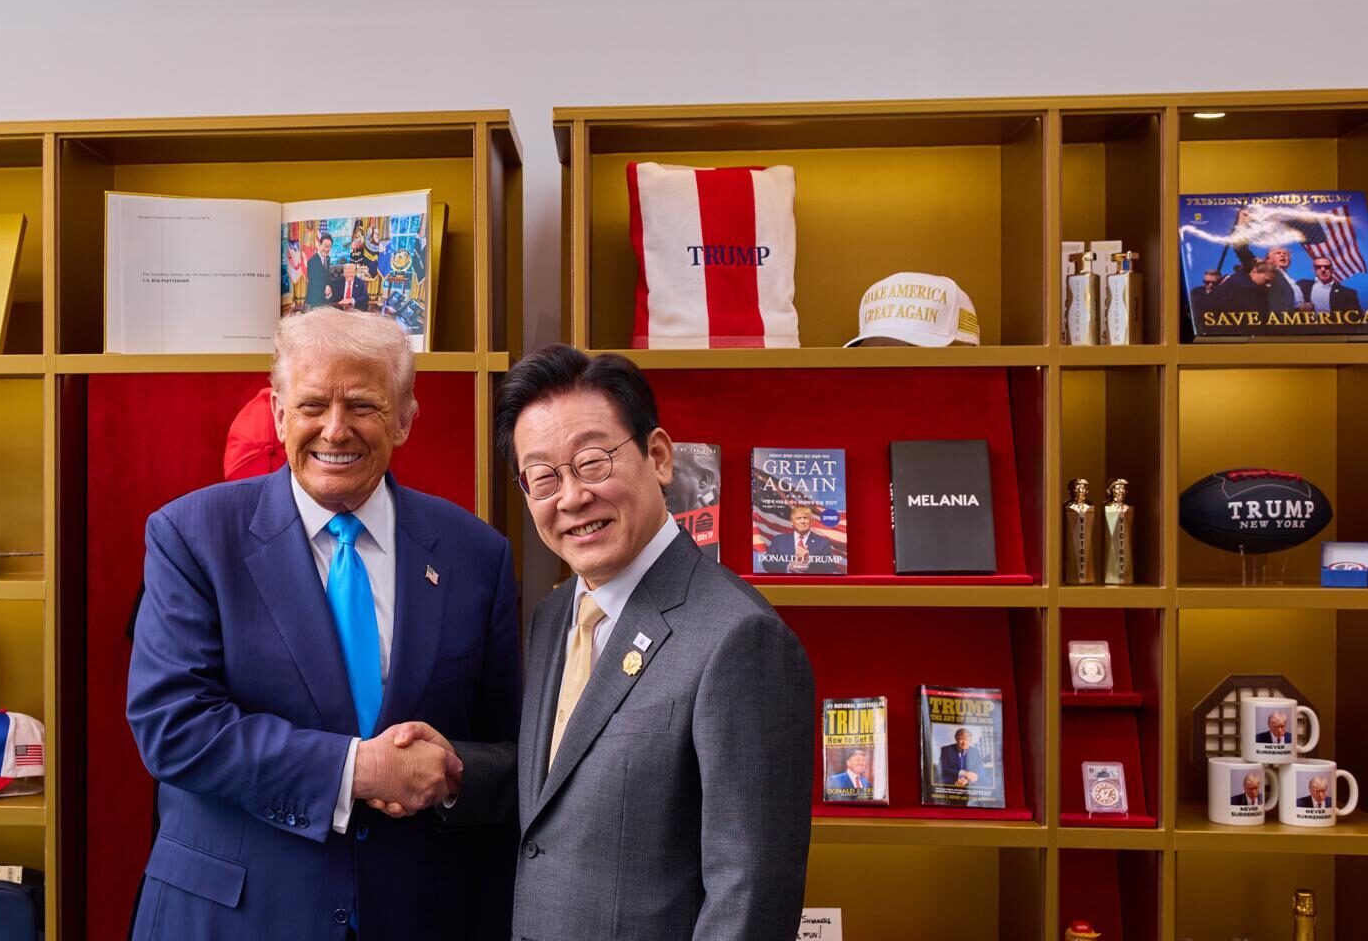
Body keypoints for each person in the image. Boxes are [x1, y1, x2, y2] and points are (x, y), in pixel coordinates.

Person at [126, 307, 519, 941]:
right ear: (278, 412)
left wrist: (449, 776)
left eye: (362, 405)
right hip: (232, 919)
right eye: (312, 405)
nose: (335, 430)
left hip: (418, 915)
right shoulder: (190, 536)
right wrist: (357, 770)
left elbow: (512, 752)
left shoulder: (477, 554)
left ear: (405, 418)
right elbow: (173, 727)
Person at [461, 344, 812, 940]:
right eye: (542, 477)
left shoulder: (739, 639)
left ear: (658, 456)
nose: (570, 497)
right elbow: (564, 794)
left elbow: (749, 896)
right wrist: (450, 773)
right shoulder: (553, 617)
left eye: (592, 461)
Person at [761, 505, 838, 574]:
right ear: (792, 522)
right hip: (784, 585)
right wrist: (788, 566)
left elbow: (829, 568)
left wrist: (808, 562)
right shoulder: (779, 540)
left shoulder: (823, 542)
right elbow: (767, 563)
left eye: (805, 518)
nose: (802, 521)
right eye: (798, 518)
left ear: (811, 522)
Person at [305, 230, 337, 311]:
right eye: (325, 246)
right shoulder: (312, 261)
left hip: (324, 299)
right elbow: (314, 283)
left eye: (329, 246)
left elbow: (326, 277)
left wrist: (329, 288)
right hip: (314, 301)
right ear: (319, 245)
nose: (327, 249)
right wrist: (325, 289)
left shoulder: (327, 258)